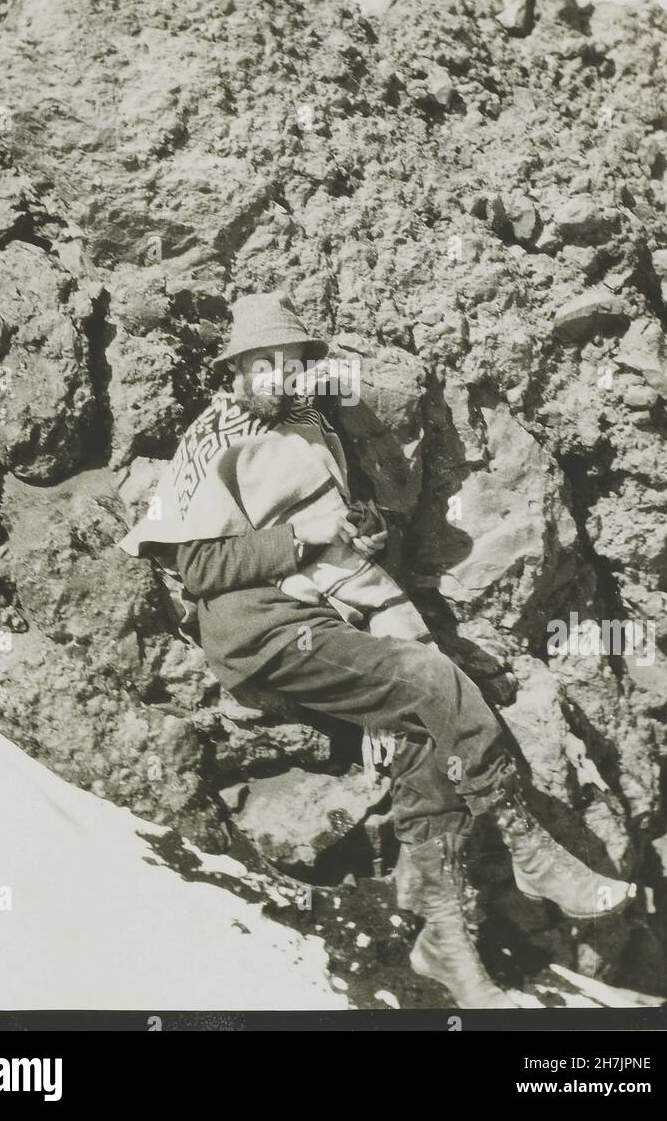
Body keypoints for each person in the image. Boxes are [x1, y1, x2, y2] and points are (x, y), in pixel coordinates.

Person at [118, 293, 636, 1008]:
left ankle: (443, 938)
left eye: (291, 363)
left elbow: (329, 525)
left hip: (325, 610)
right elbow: (199, 568)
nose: (279, 375)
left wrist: (354, 531)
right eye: (262, 363)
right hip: (258, 629)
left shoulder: (313, 428)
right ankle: (527, 842)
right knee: (429, 674)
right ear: (236, 369)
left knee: (425, 733)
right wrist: (301, 543)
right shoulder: (211, 440)